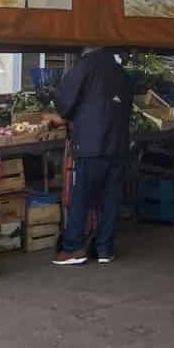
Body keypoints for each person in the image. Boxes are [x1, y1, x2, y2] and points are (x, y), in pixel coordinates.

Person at [53, 46, 133, 265]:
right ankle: (105, 248)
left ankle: (73, 248)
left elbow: (65, 101)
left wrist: (63, 114)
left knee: (82, 195)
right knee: (111, 197)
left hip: (92, 142)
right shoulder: (121, 72)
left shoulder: (85, 67)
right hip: (118, 144)